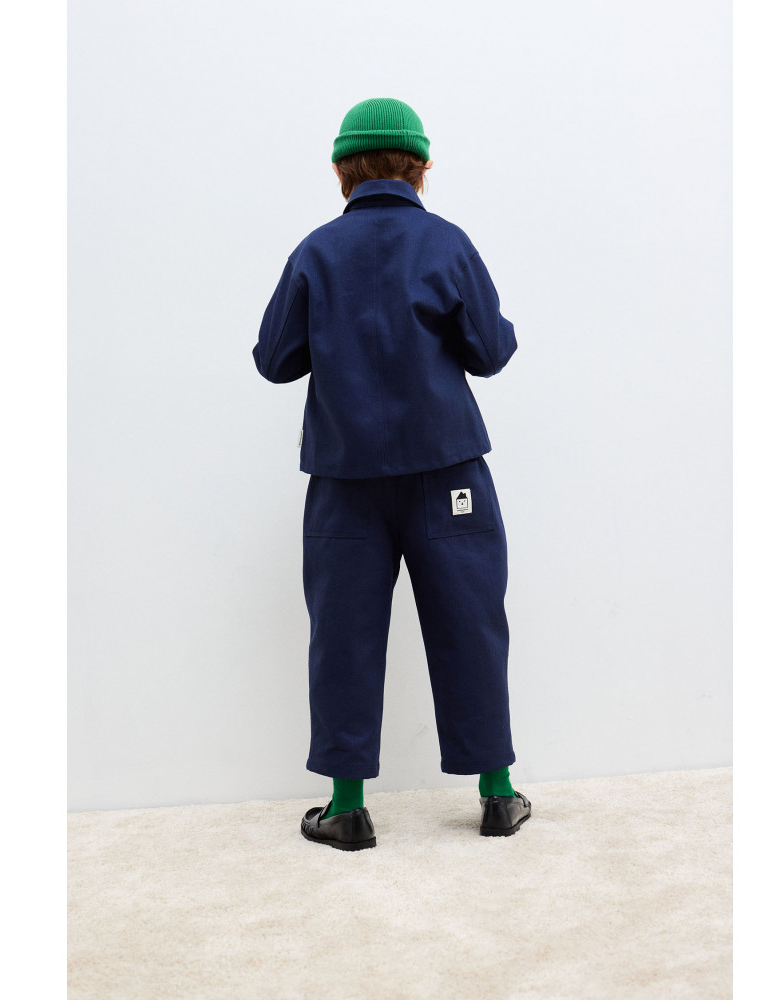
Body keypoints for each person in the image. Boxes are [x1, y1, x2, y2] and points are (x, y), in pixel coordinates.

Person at [253, 97, 531, 850]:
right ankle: (497, 795)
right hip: (448, 473)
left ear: (341, 171)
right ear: (422, 167)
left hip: (345, 481)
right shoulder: (447, 243)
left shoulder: (315, 252)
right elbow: (491, 353)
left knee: (343, 635)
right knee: (471, 623)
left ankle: (346, 808)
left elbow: (274, 360)